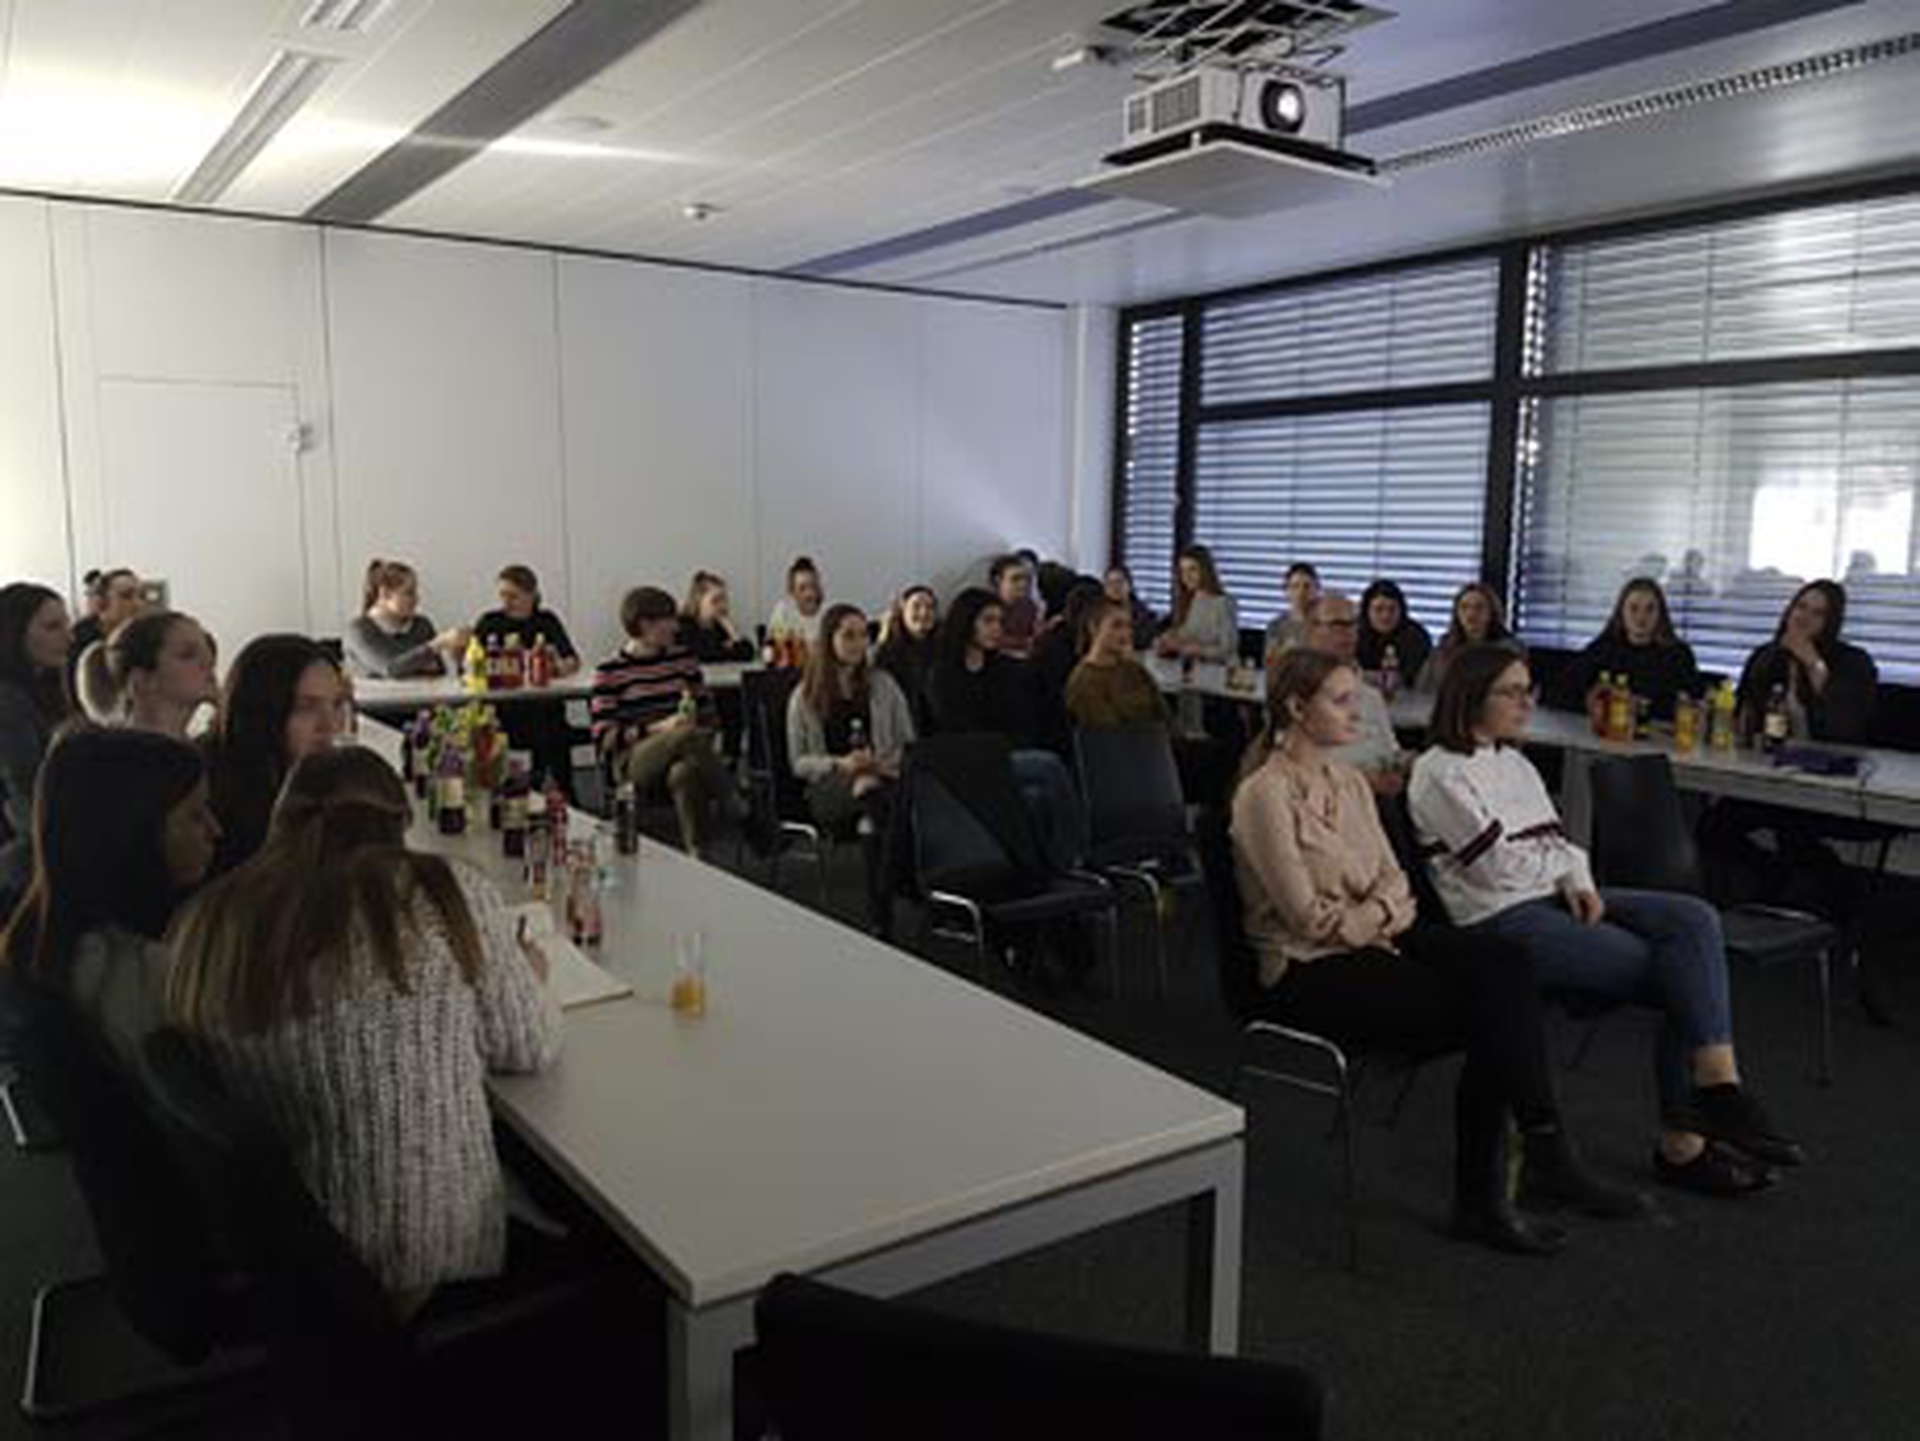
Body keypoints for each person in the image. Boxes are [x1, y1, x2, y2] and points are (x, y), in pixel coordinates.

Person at [1233, 650, 1647, 1254]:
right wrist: (1377, 910)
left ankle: (1543, 1146)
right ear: (1297, 709)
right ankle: (1500, 1190)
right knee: (1492, 1015)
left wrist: (1376, 911)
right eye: (1341, 700)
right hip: (1304, 965)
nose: (1358, 711)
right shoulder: (1263, 795)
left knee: (1504, 962)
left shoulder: (1348, 782)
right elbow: (1308, 919)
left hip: (1378, 937)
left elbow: (1397, 882)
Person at [166, 747, 560, 1314]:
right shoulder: (440, 891)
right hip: (424, 1264)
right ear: (401, 822)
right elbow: (529, 1045)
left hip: (295, 1254)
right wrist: (526, 971)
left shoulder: (209, 919)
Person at [1409, 644, 1800, 1197]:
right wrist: (1565, 869)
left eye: (1529, 690)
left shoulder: (1513, 761)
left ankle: (1720, 1085)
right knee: (1679, 976)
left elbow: (1561, 845)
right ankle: (1686, 1141)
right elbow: (1499, 871)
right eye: (1513, 692)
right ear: (1471, 695)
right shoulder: (1438, 773)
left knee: (1693, 919)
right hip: (1500, 919)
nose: (1527, 702)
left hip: (1551, 896)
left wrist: (1578, 879)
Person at [0, 729, 219, 1077]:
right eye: (194, 815)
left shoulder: (36, 942)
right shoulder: (143, 975)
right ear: (134, 833)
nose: (215, 829)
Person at [1699, 580, 1881, 910]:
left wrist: (1813, 665)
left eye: (1818, 613)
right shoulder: (1767, 656)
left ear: (1832, 622)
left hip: (1829, 783)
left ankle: (1835, 888)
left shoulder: (1853, 663)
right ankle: (1770, 875)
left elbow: (1846, 731)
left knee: (1793, 827)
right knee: (1714, 824)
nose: (1804, 618)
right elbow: (1744, 720)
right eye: (1800, 607)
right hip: (1772, 776)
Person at [928, 588, 1081, 871]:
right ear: (967, 623)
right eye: (987, 621)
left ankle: (1043, 871)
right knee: (1049, 766)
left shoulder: (1004, 670)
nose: (996, 629)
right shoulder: (944, 674)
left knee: (1037, 798)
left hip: (1007, 757)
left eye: (999, 621)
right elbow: (956, 731)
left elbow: (1021, 720)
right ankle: (1070, 863)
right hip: (967, 762)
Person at [787, 604, 915, 934]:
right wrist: (839, 763)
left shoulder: (883, 684)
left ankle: (880, 915)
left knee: (870, 823)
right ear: (828, 639)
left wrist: (884, 761)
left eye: (864, 635)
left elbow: (908, 741)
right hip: (829, 786)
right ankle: (907, 881)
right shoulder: (805, 695)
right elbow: (798, 762)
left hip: (883, 779)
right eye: (848, 635)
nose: (859, 643)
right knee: (866, 787)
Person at [591, 586, 731, 859]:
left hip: (685, 752)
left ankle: (699, 855)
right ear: (645, 624)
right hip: (633, 762)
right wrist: (658, 729)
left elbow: (710, 716)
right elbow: (605, 738)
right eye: (670, 620)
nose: (677, 627)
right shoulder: (610, 673)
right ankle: (739, 806)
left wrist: (699, 724)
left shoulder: (683, 661)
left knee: (684, 772)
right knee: (683, 735)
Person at [203, 635, 343, 875]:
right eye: (306, 707)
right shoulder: (210, 795)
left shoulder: (306, 777)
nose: (329, 724)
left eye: (336, 704)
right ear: (263, 709)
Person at [472, 565, 580, 794]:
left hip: (544, 707)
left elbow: (571, 659)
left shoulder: (547, 620)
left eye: (513, 596)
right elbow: (472, 664)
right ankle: (527, 789)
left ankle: (563, 792)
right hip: (504, 710)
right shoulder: (490, 623)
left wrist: (557, 668)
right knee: (538, 727)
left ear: (532, 595)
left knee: (548, 724)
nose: (506, 602)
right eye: (502, 595)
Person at [1, 583, 74, 908]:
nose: (69, 637)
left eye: (66, 625)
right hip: (22, 868)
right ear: (15, 632)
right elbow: (27, 794)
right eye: (52, 626)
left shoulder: (38, 692)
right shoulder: (8, 700)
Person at [1549, 577, 1702, 722]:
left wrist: (1641, 706)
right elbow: (1558, 693)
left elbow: (1696, 705)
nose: (1641, 618)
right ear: (1621, 613)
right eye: (1633, 609)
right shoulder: (1604, 648)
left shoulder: (1678, 655)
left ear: (1661, 615)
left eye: (1650, 609)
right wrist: (1590, 702)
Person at [1304, 593, 1406, 795]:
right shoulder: (1299, 688)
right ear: (1313, 630)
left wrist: (1406, 764)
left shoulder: (1370, 694)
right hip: (1327, 799)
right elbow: (1297, 767)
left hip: (1378, 796)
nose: (1349, 633)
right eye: (1338, 625)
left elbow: (1391, 750)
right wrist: (1363, 781)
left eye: (1353, 624)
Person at [94, 610, 220, 739]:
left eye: (208, 652)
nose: (208, 661)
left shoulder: (206, 751)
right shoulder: (111, 755)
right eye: (187, 654)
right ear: (142, 680)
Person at [343, 559, 469, 680]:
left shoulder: (422, 625)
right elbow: (390, 668)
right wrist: (438, 643)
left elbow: (437, 671)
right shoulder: (358, 630)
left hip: (423, 699)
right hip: (379, 701)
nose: (416, 599)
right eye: (409, 593)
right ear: (385, 594)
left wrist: (457, 657)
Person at [1065, 597, 1172, 731]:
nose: (1125, 634)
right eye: (1116, 626)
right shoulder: (1083, 681)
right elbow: (1110, 734)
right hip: (1123, 747)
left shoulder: (1135, 670)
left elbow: (1164, 716)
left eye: (1129, 626)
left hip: (1159, 744)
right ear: (1093, 627)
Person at [1416, 582, 1512, 694]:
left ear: (1492, 612)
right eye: (1464, 607)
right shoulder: (1443, 648)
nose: (1471, 614)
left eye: (1479, 608)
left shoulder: (1507, 650)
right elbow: (1423, 689)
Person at [1156, 545, 1240, 664]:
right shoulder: (1187, 600)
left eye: (1192, 569)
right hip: (1192, 670)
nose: (1186, 577)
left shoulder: (1223, 603)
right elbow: (1185, 636)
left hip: (1220, 672)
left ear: (1205, 570)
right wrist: (1167, 640)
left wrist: (1198, 650)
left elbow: (1227, 650)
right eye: (1182, 571)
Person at [876, 585, 940, 736]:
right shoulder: (888, 652)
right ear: (902, 611)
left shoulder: (945, 648)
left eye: (930, 607)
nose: (924, 613)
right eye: (916, 606)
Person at [65, 568, 142, 689]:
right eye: (126, 596)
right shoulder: (77, 641)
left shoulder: (142, 637)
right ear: (101, 602)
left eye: (141, 596)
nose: (138, 604)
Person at [1356, 579, 1433, 686]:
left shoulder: (1416, 638)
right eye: (1379, 609)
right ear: (1367, 611)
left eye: (1392, 609)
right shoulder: (1354, 636)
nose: (1385, 616)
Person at [678, 571, 755, 663]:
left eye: (724, 599)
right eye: (715, 600)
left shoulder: (720, 626)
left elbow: (747, 653)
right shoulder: (684, 625)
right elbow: (705, 655)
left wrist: (732, 630)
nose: (722, 606)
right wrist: (728, 649)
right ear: (698, 600)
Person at [1263, 562, 1321, 666]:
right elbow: (1270, 664)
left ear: (1317, 590)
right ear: (1287, 591)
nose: (1301, 592)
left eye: (1307, 586)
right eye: (1295, 586)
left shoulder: (1325, 626)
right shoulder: (1276, 626)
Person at [767, 556, 826, 656]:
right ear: (792, 592)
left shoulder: (829, 614)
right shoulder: (783, 611)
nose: (809, 594)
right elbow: (774, 649)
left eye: (813, 586)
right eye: (802, 588)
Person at [992, 554, 1043, 658]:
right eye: (1016, 579)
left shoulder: (1030, 607)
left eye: (1027, 579)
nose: (1023, 584)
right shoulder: (989, 607)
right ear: (998, 580)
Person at [1101, 564, 1159, 653]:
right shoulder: (1099, 612)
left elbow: (1146, 638)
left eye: (1119, 582)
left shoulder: (1142, 612)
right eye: (1110, 583)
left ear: (1129, 585)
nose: (1115, 587)